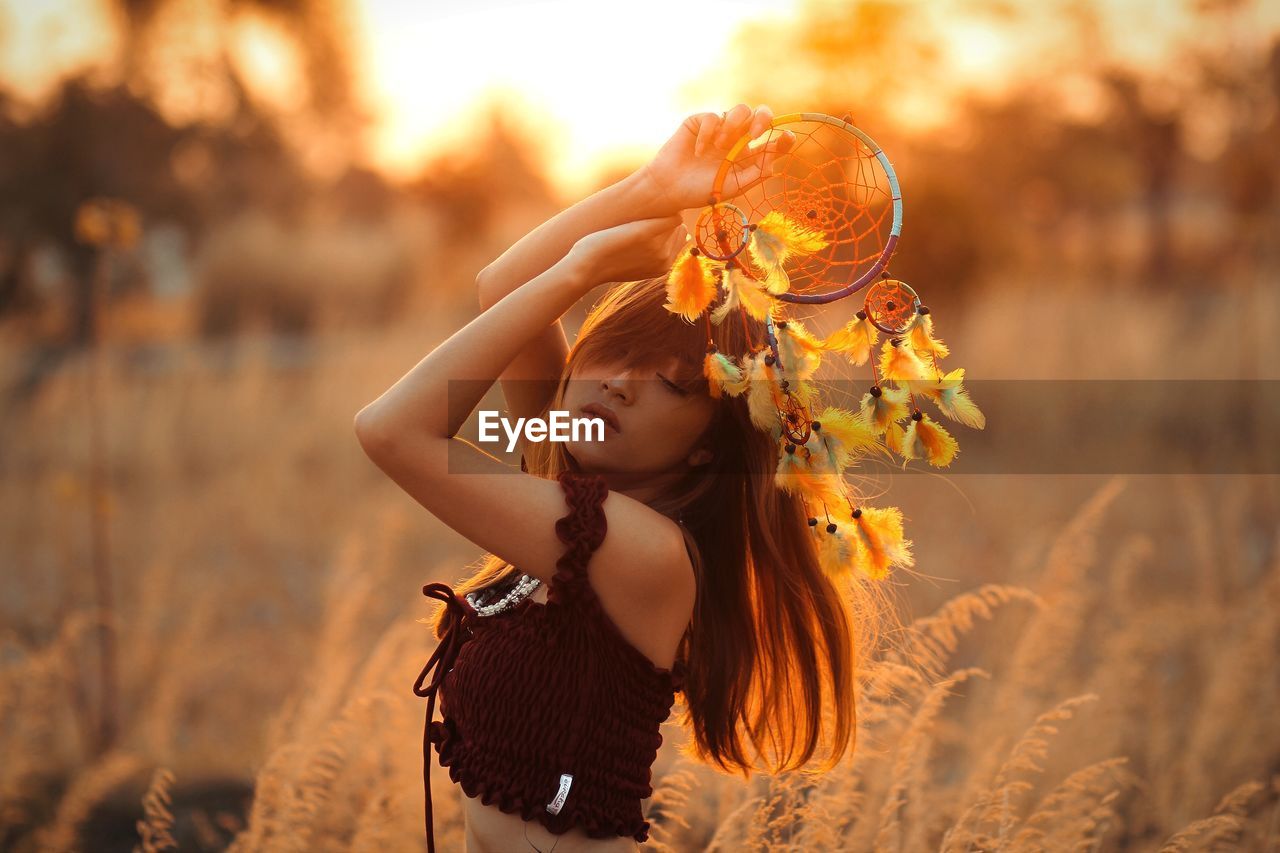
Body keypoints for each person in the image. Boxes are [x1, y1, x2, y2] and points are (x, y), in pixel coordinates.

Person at [355, 104, 886, 852]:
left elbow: (391, 430)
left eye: (672, 384)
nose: (620, 386)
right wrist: (649, 187)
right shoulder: (555, 444)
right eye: (611, 352)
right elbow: (503, 281)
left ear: (708, 445)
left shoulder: (642, 549)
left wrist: (587, 270)